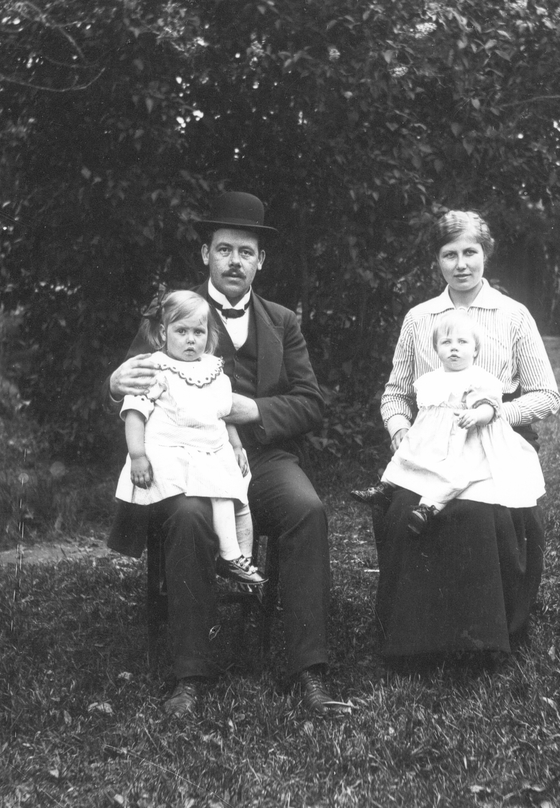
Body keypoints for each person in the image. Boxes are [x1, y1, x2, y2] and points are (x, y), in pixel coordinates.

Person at [106, 191, 350, 718]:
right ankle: (190, 676)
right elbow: (131, 386)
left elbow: (310, 403)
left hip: (260, 460)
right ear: (205, 255)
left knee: (307, 510)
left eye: (246, 251)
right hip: (185, 461)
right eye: (224, 249)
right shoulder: (174, 310)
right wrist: (113, 382)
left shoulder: (282, 321)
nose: (234, 261)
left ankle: (309, 670)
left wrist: (251, 409)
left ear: (261, 260)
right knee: (189, 516)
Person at [369, 210, 560, 664]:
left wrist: (493, 415)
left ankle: (483, 639)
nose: (461, 264)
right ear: (437, 261)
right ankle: (415, 639)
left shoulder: (513, 315)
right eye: (449, 254)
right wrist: (400, 430)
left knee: (482, 512)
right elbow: (396, 392)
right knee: (403, 509)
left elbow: (546, 395)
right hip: (432, 443)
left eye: (470, 252)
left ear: (485, 254)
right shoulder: (420, 318)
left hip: (498, 439)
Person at [115, 289, 264, 588]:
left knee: (234, 493)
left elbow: (222, 414)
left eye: (198, 332)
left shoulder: (211, 370)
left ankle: (239, 558)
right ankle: (230, 556)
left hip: (208, 453)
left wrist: (236, 445)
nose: (190, 340)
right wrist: (137, 455)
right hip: (169, 456)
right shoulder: (156, 368)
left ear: (208, 335)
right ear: (163, 333)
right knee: (217, 490)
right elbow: (134, 414)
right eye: (181, 331)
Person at [351, 309, 545, 535]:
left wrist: (476, 415)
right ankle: (385, 487)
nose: (454, 348)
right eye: (446, 342)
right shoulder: (431, 379)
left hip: (462, 439)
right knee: (405, 456)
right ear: (436, 349)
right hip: (430, 439)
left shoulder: (478, 378)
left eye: (462, 342)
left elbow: (489, 407)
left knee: (453, 472)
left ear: (475, 350)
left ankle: (427, 508)